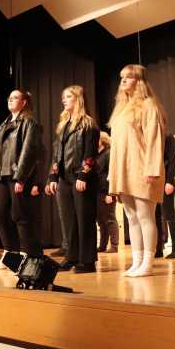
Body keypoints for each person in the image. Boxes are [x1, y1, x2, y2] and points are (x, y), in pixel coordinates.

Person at [108, 64, 166, 277]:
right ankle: (137, 260)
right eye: (122, 77)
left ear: (139, 81)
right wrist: (113, 175)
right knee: (131, 217)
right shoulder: (121, 109)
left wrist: (152, 168)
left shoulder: (148, 105)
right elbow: (116, 146)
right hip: (124, 170)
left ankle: (148, 262)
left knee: (145, 215)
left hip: (142, 168)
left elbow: (154, 138)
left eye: (129, 77)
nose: (123, 80)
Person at [46, 85, 100, 273]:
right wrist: (53, 176)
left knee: (84, 219)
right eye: (63, 97)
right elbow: (57, 153)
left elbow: (90, 153)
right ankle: (72, 256)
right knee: (69, 220)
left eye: (68, 96)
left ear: (78, 99)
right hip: (64, 178)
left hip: (81, 177)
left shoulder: (88, 124)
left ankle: (87, 261)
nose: (64, 100)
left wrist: (84, 174)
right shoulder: (63, 125)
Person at [0, 90, 44, 259]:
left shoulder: (29, 122)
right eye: (9, 97)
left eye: (15, 97)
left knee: (20, 215)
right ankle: (11, 253)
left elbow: (29, 151)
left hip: (16, 174)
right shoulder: (4, 124)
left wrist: (21, 177)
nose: (10, 100)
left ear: (24, 102)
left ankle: (29, 253)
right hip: (2, 175)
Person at [96, 132, 119, 253]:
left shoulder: (108, 153)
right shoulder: (97, 155)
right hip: (98, 191)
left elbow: (113, 173)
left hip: (107, 191)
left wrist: (111, 193)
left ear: (102, 141)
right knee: (101, 220)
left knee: (110, 218)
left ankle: (114, 245)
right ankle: (102, 245)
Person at [162, 133, 175, 259]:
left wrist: (169, 181)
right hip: (156, 181)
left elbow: (173, 161)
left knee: (169, 215)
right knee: (158, 216)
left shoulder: (169, 138)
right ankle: (158, 247)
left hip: (166, 181)